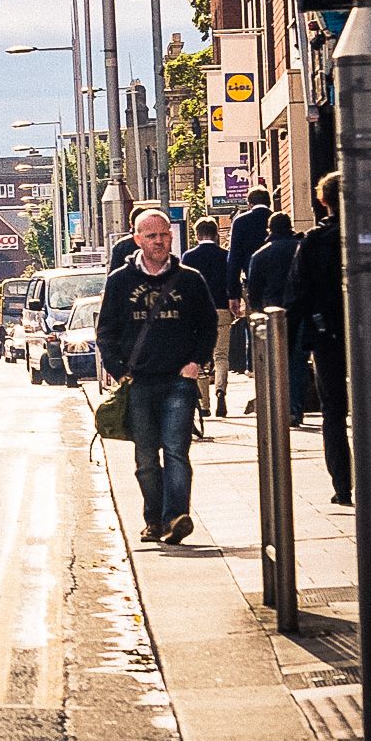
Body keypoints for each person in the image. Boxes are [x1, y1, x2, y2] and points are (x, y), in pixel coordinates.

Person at [97, 208, 215, 546]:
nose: (160, 241)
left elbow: (207, 325)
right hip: (139, 381)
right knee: (146, 457)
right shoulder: (120, 281)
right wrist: (118, 370)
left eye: (164, 235)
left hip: (179, 380)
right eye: (151, 236)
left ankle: (175, 517)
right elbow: (106, 330)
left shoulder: (190, 279)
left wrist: (197, 362)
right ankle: (153, 519)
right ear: (137, 239)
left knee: (176, 450)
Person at [290, 173, 351, 505]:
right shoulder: (368, 234)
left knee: (333, 411)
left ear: (323, 201)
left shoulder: (314, 241)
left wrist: (287, 345)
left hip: (326, 334)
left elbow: (296, 295)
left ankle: (342, 486)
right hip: (367, 334)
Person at [241, 210, 304, 422]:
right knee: (298, 362)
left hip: (272, 314)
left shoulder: (260, 255)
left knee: (276, 362)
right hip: (300, 312)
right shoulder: (301, 249)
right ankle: (296, 407)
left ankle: (281, 406)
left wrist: (258, 311)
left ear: (270, 230)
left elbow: (253, 291)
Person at [181, 216, 235, 417]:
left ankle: (204, 405)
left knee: (201, 358)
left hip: (197, 315)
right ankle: (221, 390)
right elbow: (231, 283)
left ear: (196, 235)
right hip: (221, 310)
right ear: (216, 234)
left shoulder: (188, 257)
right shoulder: (226, 255)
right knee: (221, 356)